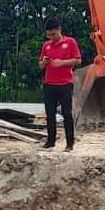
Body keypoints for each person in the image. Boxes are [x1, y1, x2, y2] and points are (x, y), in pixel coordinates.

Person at [38, 18, 81, 152]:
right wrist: (44, 62)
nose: (51, 37)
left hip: (65, 83)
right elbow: (40, 65)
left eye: (53, 34)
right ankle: (51, 141)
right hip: (49, 83)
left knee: (67, 114)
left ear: (59, 30)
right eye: (49, 35)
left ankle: (69, 143)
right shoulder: (46, 45)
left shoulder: (70, 42)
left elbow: (78, 60)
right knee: (49, 114)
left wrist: (62, 63)